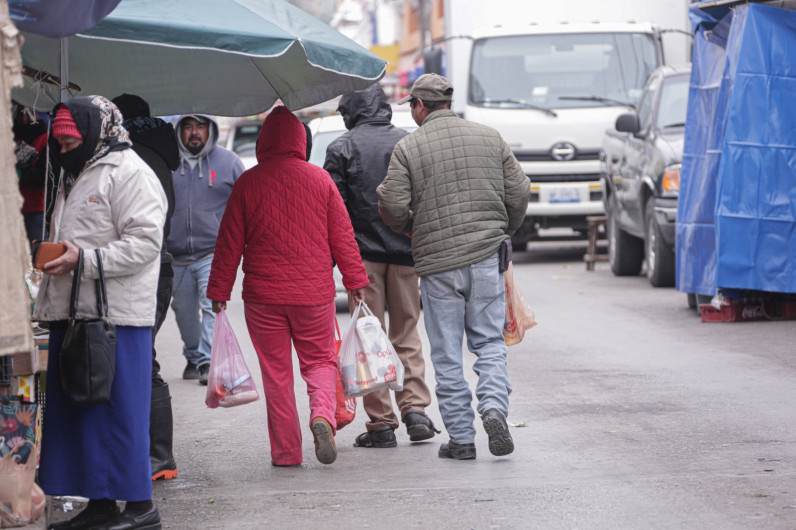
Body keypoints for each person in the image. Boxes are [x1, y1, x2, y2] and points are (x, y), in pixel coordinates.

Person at [377, 74, 530, 460]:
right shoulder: (490, 137)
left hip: (438, 264)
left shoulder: (408, 148)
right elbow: (520, 191)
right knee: (490, 343)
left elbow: (393, 206)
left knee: (446, 353)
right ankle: (494, 408)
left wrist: (414, 227)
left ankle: (462, 440)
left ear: (419, 106)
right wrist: (503, 230)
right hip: (484, 258)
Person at [206, 106, 368, 466]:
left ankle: (285, 453)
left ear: (263, 142)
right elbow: (343, 237)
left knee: (276, 374)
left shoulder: (248, 182)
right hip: (313, 295)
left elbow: (228, 242)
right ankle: (322, 415)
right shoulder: (320, 179)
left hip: (263, 298)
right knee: (320, 362)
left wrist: (219, 291)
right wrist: (355, 281)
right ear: (301, 141)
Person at [34, 96, 167, 529]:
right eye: (60, 142)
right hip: (78, 312)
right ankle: (103, 503)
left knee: (118, 414)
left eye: (71, 141)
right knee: (85, 415)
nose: (64, 149)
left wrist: (83, 260)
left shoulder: (130, 174)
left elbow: (146, 244)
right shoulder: (78, 172)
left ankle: (142, 508)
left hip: (117, 320)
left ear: (96, 131)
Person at [324, 84, 439, 448]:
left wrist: (337, 262)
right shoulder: (408, 141)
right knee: (406, 333)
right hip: (406, 254)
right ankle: (415, 409)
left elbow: (335, 213)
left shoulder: (341, 147)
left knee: (367, 339)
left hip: (363, 260)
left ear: (350, 110)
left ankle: (382, 423)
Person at [112, 94, 180, 482]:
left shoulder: (135, 159)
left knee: (139, 357)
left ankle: (157, 455)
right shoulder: (157, 153)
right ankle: (153, 454)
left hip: (145, 269)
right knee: (140, 356)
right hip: (158, 267)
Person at [168, 114, 244, 385]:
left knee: (211, 306)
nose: (194, 132)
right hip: (175, 255)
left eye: (200, 126)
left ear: (210, 129)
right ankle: (193, 355)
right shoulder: (168, 163)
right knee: (184, 312)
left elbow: (246, 202)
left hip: (213, 252)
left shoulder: (229, 162)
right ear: (180, 131)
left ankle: (207, 361)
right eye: (188, 127)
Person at [12, 103, 49, 246]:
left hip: (35, 208)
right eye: (22, 113)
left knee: (35, 253)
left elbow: (42, 176)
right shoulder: (14, 136)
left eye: (31, 113)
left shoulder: (46, 139)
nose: (25, 118)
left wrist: (18, 173)